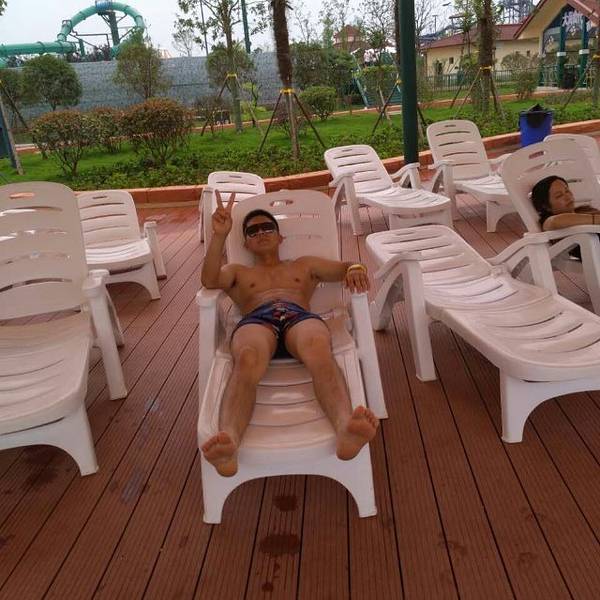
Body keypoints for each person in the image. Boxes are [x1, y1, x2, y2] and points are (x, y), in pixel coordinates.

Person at [200, 191, 379, 477]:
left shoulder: (304, 265)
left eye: (267, 227)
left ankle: (345, 429)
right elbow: (210, 280)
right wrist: (220, 236)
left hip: (299, 317)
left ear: (280, 237)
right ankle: (229, 442)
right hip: (257, 320)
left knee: (318, 348)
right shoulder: (237, 271)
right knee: (247, 358)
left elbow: (345, 267)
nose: (261, 233)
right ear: (245, 243)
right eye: (253, 231)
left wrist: (356, 268)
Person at [532, 175, 600, 231]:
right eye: (559, 195)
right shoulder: (548, 222)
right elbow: (555, 221)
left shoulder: (585, 210)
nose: (568, 196)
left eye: (567, 191)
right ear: (546, 207)